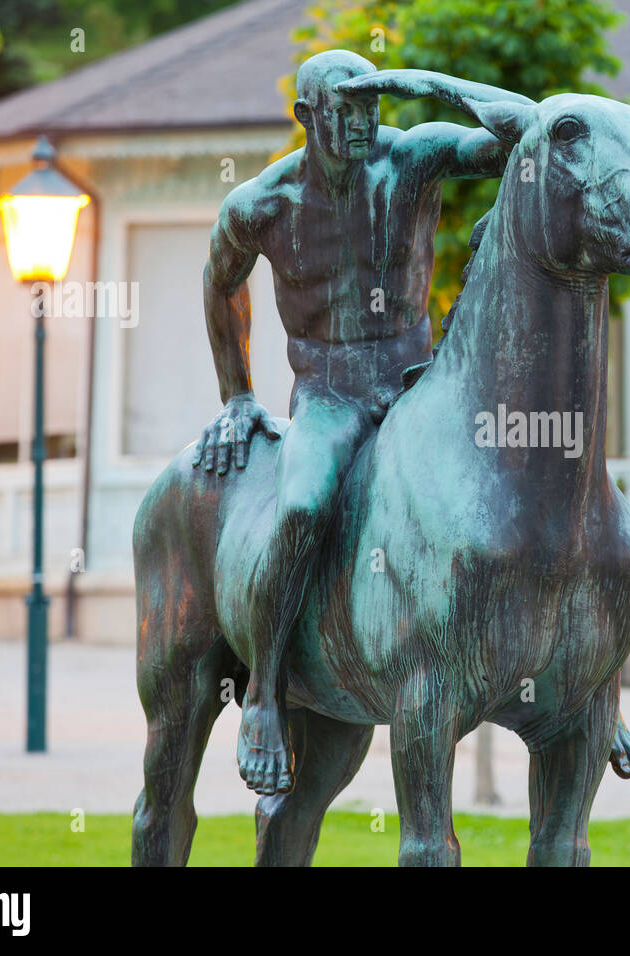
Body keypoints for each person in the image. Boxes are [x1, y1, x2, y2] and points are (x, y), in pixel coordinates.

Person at [193, 50, 534, 795]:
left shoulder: (410, 158)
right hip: (330, 392)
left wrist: (432, 86)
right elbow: (221, 285)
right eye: (342, 109)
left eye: (370, 104)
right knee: (304, 506)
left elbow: (527, 134)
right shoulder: (264, 202)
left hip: (421, 381)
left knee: (525, 474)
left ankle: (568, 676)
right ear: (305, 117)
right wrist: (238, 397)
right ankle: (264, 697)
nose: (361, 121)